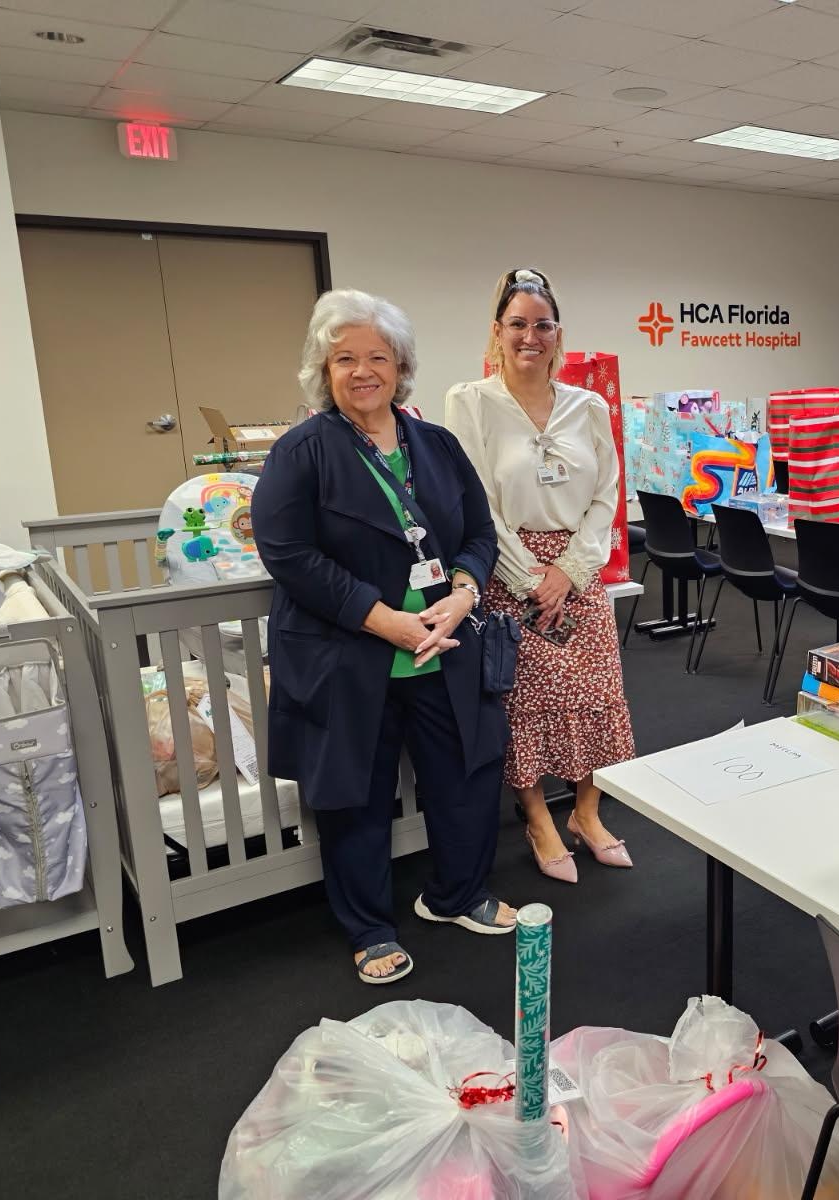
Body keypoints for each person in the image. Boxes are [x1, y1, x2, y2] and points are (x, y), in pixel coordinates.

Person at [252, 288, 516, 986]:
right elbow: (289, 555)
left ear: (401, 367)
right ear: (324, 369)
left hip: (445, 647)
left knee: (466, 776)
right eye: (346, 359)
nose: (363, 371)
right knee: (355, 797)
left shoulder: (437, 445)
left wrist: (462, 593)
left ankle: (456, 895)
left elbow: (479, 534)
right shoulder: (301, 453)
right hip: (352, 654)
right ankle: (369, 928)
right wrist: (385, 620)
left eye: (378, 357)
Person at [445, 268, 636, 884]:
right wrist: (532, 579)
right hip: (510, 574)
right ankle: (536, 817)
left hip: (579, 574)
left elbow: (606, 495)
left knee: (596, 694)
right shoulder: (469, 402)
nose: (531, 336)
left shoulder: (590, 406)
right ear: (498, 332)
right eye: (518, 324)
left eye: (543, 325)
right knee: (524, 703)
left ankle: (586, 811)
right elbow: (476, 502)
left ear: (559, 334)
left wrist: (571, 572)